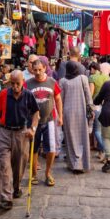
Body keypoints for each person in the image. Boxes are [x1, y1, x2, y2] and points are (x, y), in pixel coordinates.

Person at [0, 70, 40, 211]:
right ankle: (6, 198)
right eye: (12, 83)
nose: (15, 86)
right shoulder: (4, 94)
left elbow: (36, 113)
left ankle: (16, 188)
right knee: (5, 166)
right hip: (4, 132)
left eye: (17, 83)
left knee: (19, 165)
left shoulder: (28, 95)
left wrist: (33, 129)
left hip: (22, 133)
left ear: (23, 81)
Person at [26, 58, 63, 187]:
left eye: (40, 70)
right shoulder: (28, 84)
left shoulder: (52, 82)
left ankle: (48, 173)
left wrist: (60, 116)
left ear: (45, 69)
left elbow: (58, 99)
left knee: (51, 148)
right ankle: (34, 174)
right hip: (33, 122)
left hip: (50, 120)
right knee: (33, 149)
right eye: (35, 70)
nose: (37, 72)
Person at [59, 61, 92, 173]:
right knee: (82, 137)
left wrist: (60, 115)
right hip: (81, 112)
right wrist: (91, 109)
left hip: (68, 113)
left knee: (71, 138)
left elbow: (61, 100)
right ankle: (82, 163)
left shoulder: (63, 81)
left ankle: (74, 164)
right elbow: (88, 96)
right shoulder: (83, 78)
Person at [88, 62, 109, 162]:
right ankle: (102, 153)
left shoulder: (92, 78)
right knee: (102, 130)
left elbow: (90, 93)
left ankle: (106, 149)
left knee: (96, 130)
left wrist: (89, 105)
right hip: (106, 106)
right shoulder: (106, 77)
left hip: (96, 106)